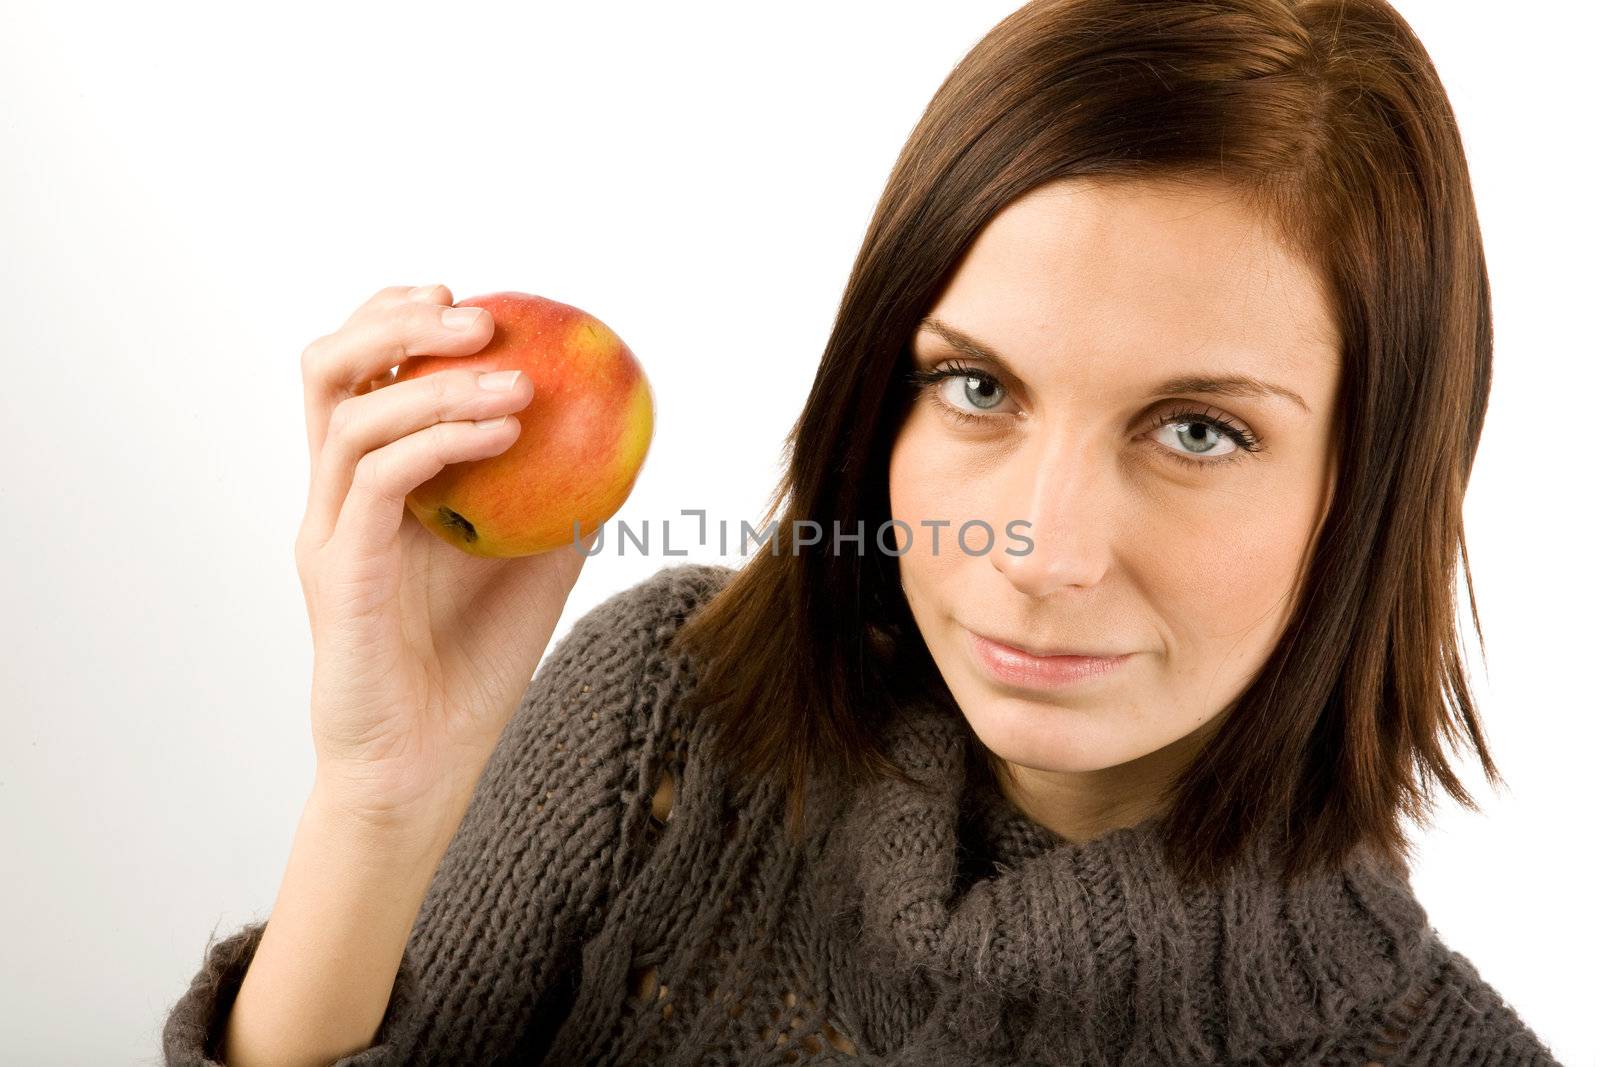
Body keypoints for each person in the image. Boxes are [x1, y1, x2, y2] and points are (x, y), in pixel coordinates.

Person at [162, 0, 1564, 1064]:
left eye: (1198, 429)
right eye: (976, 387)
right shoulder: (668, 718)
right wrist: (380, 806)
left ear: (1372, 482)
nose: (1041, 549)